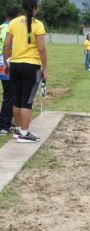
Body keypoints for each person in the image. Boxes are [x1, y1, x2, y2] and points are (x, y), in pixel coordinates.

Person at [3, 0, 47, 143]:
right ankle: (23, 133)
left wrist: (6, 63)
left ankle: (19, 130)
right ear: (35, 8)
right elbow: (41, 49)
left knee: (17, 99)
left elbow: (6, 46)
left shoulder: (13, 22)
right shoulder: (38, 24)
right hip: (31, 66)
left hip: (15, 64)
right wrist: (44, 68)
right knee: (27, 101)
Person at [0, 6, 19, 135]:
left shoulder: (1, 26)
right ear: (16, 16)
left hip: (1, 62)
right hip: (6, 64)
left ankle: (6, 122)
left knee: (9, 94)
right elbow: (8, 47)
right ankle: (4, 125)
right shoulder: (11, 28)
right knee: (10, 95)